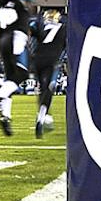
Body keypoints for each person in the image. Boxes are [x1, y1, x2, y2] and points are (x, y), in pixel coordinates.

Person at [0, 0, 38, 137]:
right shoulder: (20, 4)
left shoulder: (3, 6)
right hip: (16, 39)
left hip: (4, 41)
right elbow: (31, 5)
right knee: (22, 74)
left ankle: (5, 116)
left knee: (10, 79)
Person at [31, 7, 68, 136]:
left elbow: (30, 30)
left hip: (36, 60)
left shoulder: (42, 27)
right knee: (49, 89)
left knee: (42, 89)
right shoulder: (63, 28)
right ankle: (41, 117)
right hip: (51, 60)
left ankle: (46, 118)